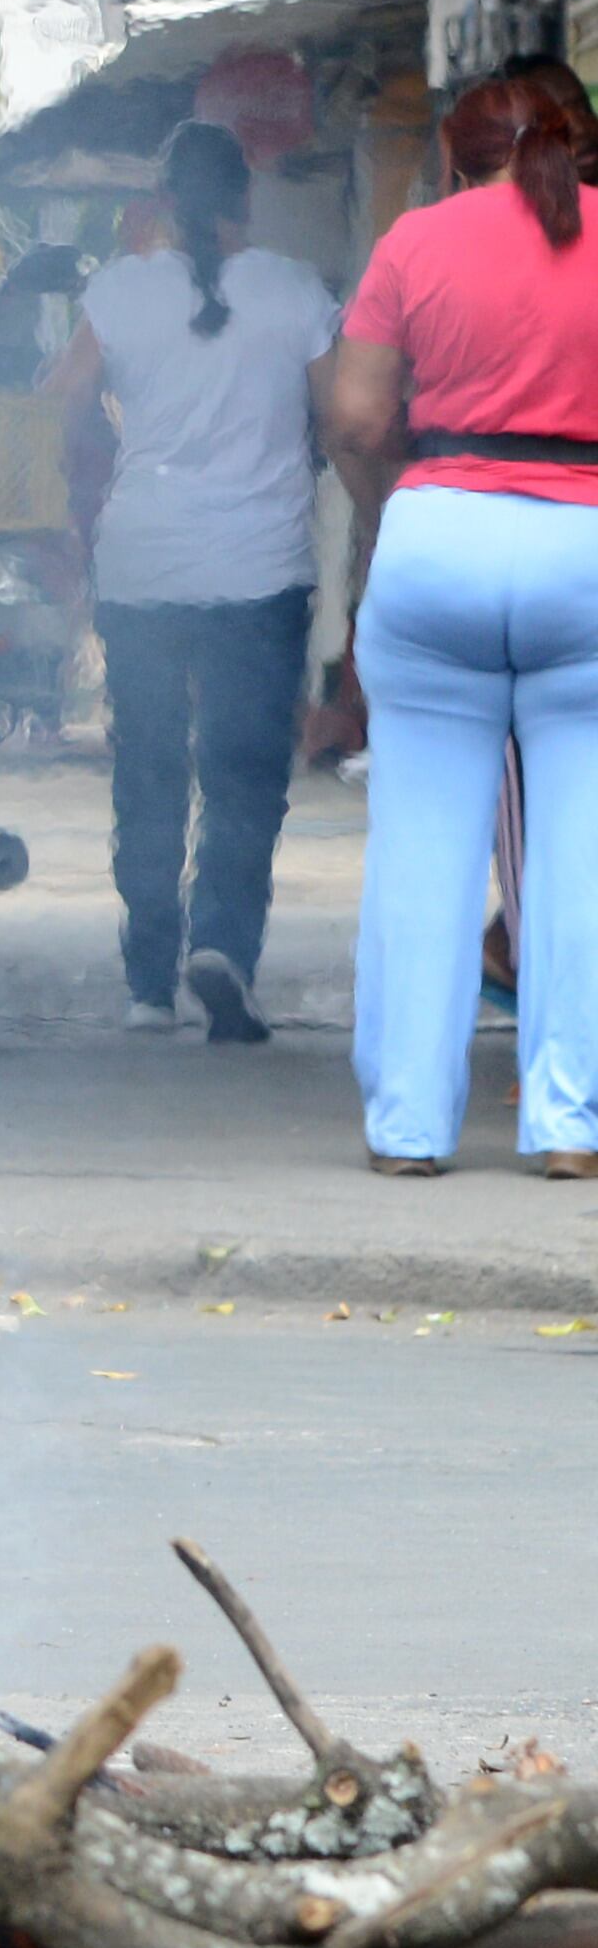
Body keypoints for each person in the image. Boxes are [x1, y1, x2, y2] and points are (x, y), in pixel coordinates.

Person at [324, 70, 598, 1175]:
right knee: (580, 856)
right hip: (584, 547)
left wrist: (391, 509)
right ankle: (570, 1122)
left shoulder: (412, 244)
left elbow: (351, 417)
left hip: (435, 535)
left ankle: (405, 1124)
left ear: (454, 155)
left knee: (420, 845)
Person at [44, 121, 339, 1043]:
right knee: (245, 772)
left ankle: (145, 981)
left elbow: (52, 409)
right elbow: (343, 415)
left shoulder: (119, 293)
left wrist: (68, 511)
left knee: (150, 767)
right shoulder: (296, 292)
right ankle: (222, 949)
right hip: (259, 567)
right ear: (244, 196)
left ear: (164, 202)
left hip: (143, 563)